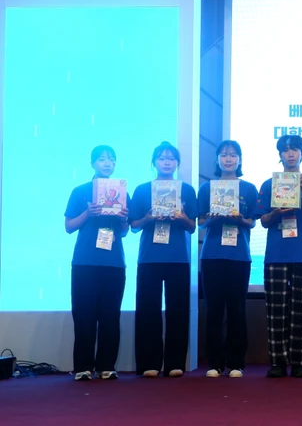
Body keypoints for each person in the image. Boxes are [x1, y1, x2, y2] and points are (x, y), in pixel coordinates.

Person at [255, 134, 302, 378]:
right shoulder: (268, 184)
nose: (290, 154)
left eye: (295, 149)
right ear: (280, 155)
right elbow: (263, 221)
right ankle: (277, 362)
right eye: (286, 150)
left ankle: (298, 362)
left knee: (300, 310)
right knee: (275, 310)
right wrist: (275, 213)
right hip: (275, 254)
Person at [129, 141, 198, 377]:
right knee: (148, 308)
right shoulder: (141, 190)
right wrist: (148, 218)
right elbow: (134, 226)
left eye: (171, 158)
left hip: (179, 258)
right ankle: (149, 363)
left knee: (178, 309)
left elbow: (192, 227)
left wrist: (181, 216)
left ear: (177, 163)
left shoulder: (187, 190)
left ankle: (175, 363)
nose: (167, 162)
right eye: (162, 158)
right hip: (149, 257)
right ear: (154, 163)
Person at [64, 145, 130, 381]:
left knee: (110, 316)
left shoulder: (122, 191)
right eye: (102, 159)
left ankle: (106, 366)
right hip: (85, 262)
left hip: (114, 263)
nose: (107, 163)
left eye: (111, 160)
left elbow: (124, 232)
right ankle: (83, 367)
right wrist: (87, 214)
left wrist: (123, 219)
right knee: (84, 315)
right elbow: (69, 226)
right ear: (93, 163)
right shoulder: (80, 191)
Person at [197, 140, 258, 378]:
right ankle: (214, 362)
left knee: (236, 309)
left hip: (239, 256)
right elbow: (200, 222)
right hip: (211, 254)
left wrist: (240, 217)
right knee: (213, 310)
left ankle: (236, 362)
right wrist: (212, 217)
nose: (229, 159)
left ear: (240, 160)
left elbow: (253, 221)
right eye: (224, 155)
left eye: (233, 155)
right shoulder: (206, 189)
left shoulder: (249, 189)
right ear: (217, 160)